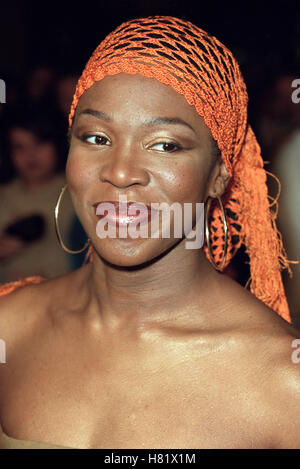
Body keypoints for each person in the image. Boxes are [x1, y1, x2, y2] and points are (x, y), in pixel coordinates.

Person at [0, 16, 299, 450]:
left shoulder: (282, 383)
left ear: (218, 175)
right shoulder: (12, 327)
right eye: (96, 137)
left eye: (165, 145)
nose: (120, 172)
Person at [0, 113, 74, 281]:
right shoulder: (4, 195)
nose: (31, 155)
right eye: (20, 147)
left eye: (39, 143)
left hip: (63, 294)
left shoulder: (76, 193)